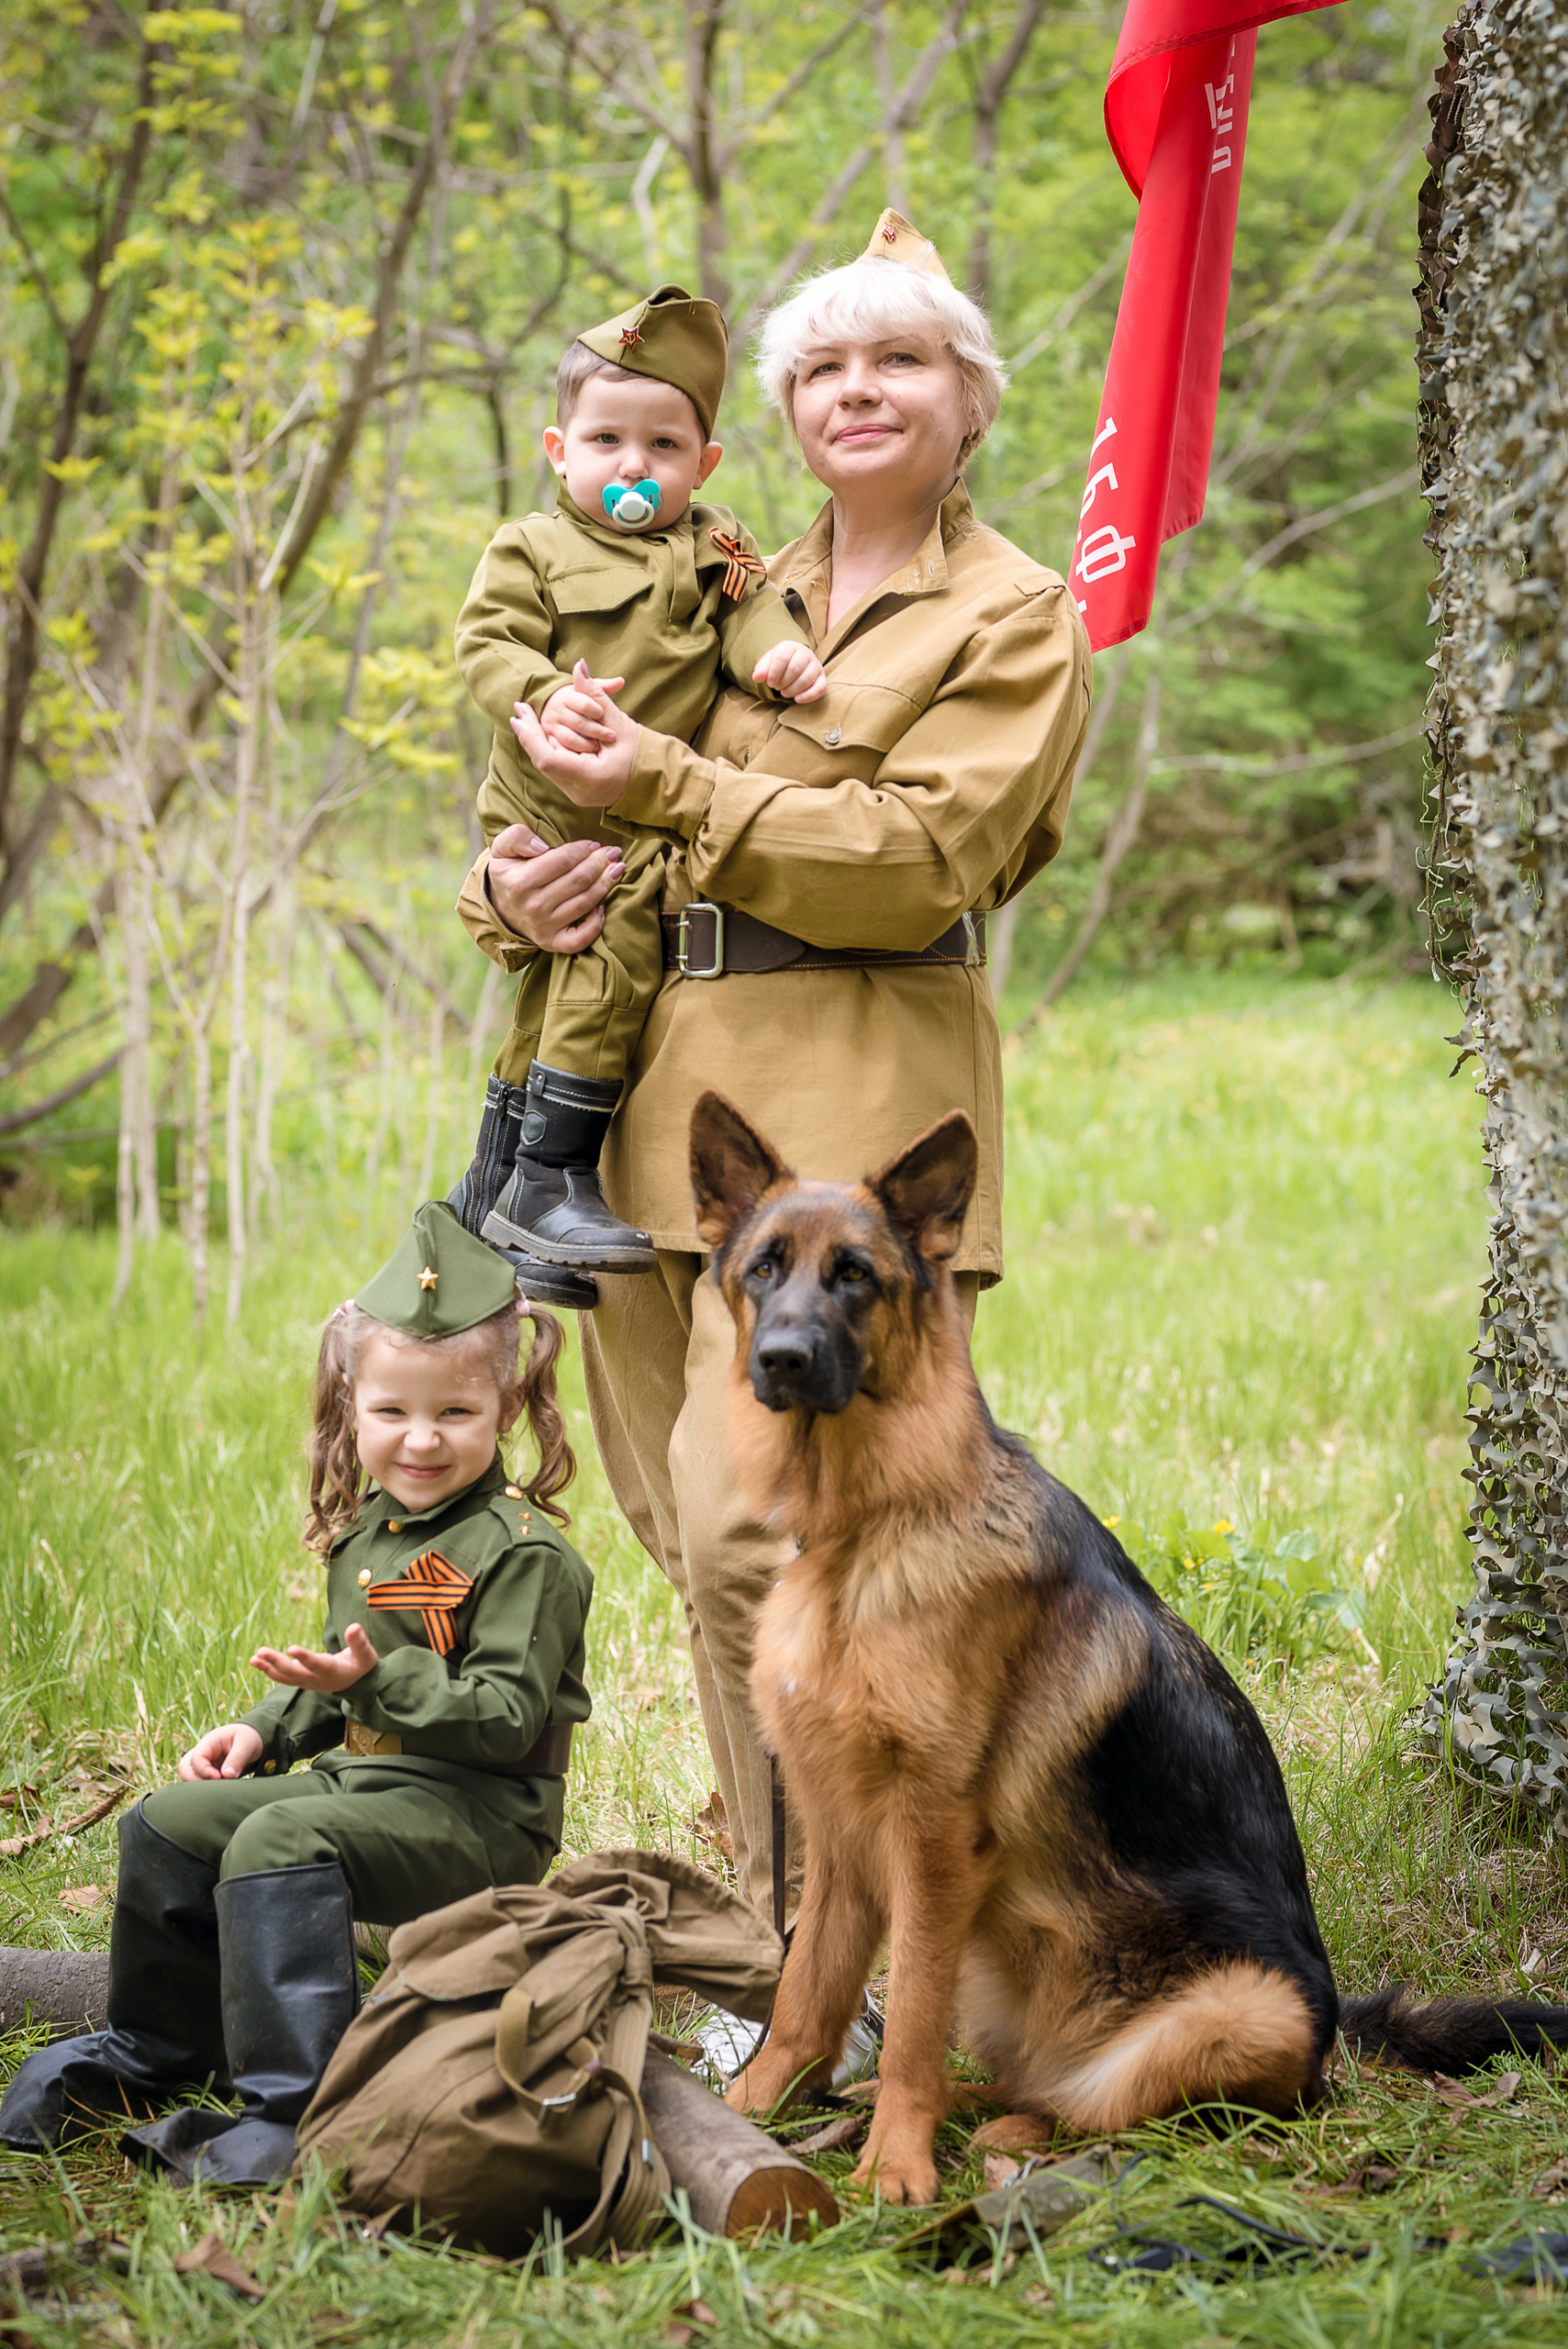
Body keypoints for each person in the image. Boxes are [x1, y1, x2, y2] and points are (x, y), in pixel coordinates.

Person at [456, 207, 1093, 1937]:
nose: (856, 389)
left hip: (857, 1139)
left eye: (898, 359)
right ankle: (781, 1920)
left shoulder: (1014, 614)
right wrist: (507, 889)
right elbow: (560, 779)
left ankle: (870, 1952)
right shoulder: (718, 579)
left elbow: (911, 858)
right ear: (786, 413)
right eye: (821, 364)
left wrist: (666, 788)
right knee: (695, 1542)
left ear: (969, 402)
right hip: (657, 1128)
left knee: (820, 1548)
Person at [0, 1202, 594, 2188]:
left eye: (455, 1414)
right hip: (365, 1792)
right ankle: (152, 2054)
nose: (420, 1440)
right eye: (392, 1413)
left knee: (275, 1842)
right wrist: (261, 1729)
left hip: (483, 1816)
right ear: (353, 1406)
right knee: (169, 1819)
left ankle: (298, 2110)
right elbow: (332, 1681)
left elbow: (502, 1720)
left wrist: (378, 1680)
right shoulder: (371, 1533)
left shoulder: (524, 1556)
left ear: (506, 1408)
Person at [448, 284, 826, 1299]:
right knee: (604, 953)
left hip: (644, 814)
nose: (633, 465)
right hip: (551, 803)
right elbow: (485, 645)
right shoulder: (529, 547)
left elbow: (749, 619)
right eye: (606, 439)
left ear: (701, 465)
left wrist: (779, 655)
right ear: (558, 449)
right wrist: (540, 695)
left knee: (576, 987)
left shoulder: (716, 545)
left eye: (663, 447)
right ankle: (546, 1178)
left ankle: (513, 1216)